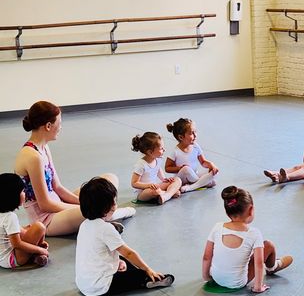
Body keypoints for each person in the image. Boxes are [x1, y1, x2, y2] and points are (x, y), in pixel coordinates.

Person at [14, 101, 135, 237]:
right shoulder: (32, 157)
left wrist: (85, 202)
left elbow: (58, 187)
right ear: (48, 126)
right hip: (47, 219)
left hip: (59, 204)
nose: (61, 127)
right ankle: (113, 214)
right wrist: (86, 207)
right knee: (93, 208)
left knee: (109, 179)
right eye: (59, 123)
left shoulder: (44, 147)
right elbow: (45, 205)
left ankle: (101, 216)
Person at [75, 177, 174, 296]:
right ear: (109, 207)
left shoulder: (84, 225)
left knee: (123, 260)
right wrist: (148, 269)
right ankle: (147, 280)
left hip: (83, 283)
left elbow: (94, 254)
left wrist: (117, 262)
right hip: (101, 287)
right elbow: (129, 253)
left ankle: (126, 269)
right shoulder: (105, 229)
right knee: (137, 273)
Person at [202, 185, 293, 292]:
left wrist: (207, 278)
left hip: (216, 278)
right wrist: (258, 288)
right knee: (268, 245)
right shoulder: (254, 233)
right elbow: (259, 264)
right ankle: (272, 267)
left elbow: (206, 257)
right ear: (251, 210)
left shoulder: (217, 227)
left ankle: (271, 266)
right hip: (237, 282)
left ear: (227, 212)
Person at [0, 173, 49, 269]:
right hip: (12, 260)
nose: (24, 194)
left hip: (2, 259)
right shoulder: (10, 217)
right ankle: (35, 254)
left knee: (29, 228)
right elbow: (17, 244)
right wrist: (39, 249)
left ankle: (34, 255)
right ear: (12, 196)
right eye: (22, 191)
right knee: (39, 227)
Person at [165, 118, 218, 193]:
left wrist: (211, 165)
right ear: (181, 137)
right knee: (186, 169)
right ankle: (200, 184)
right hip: (182, 179)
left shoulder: (196, 146)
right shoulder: (176, 151)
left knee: (214, 172)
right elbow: (167, 168)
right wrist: (179, 168)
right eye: (191, 133)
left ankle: (193, 186)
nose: (195, 135)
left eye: (195, 132)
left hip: (194, 176)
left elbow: (203, 162)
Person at [131, 131, 182, 204]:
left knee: (177, 180)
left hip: (155, 186)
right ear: (150, 152)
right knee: (154, 191)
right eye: (161, 148)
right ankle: (169, 193)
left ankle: (165, 195)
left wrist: (164, 179)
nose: (164, 150)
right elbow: (134, 183)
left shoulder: (157, 159)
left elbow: (158, 169)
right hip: (143, 192)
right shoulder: (141, 165)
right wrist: (148, 185)